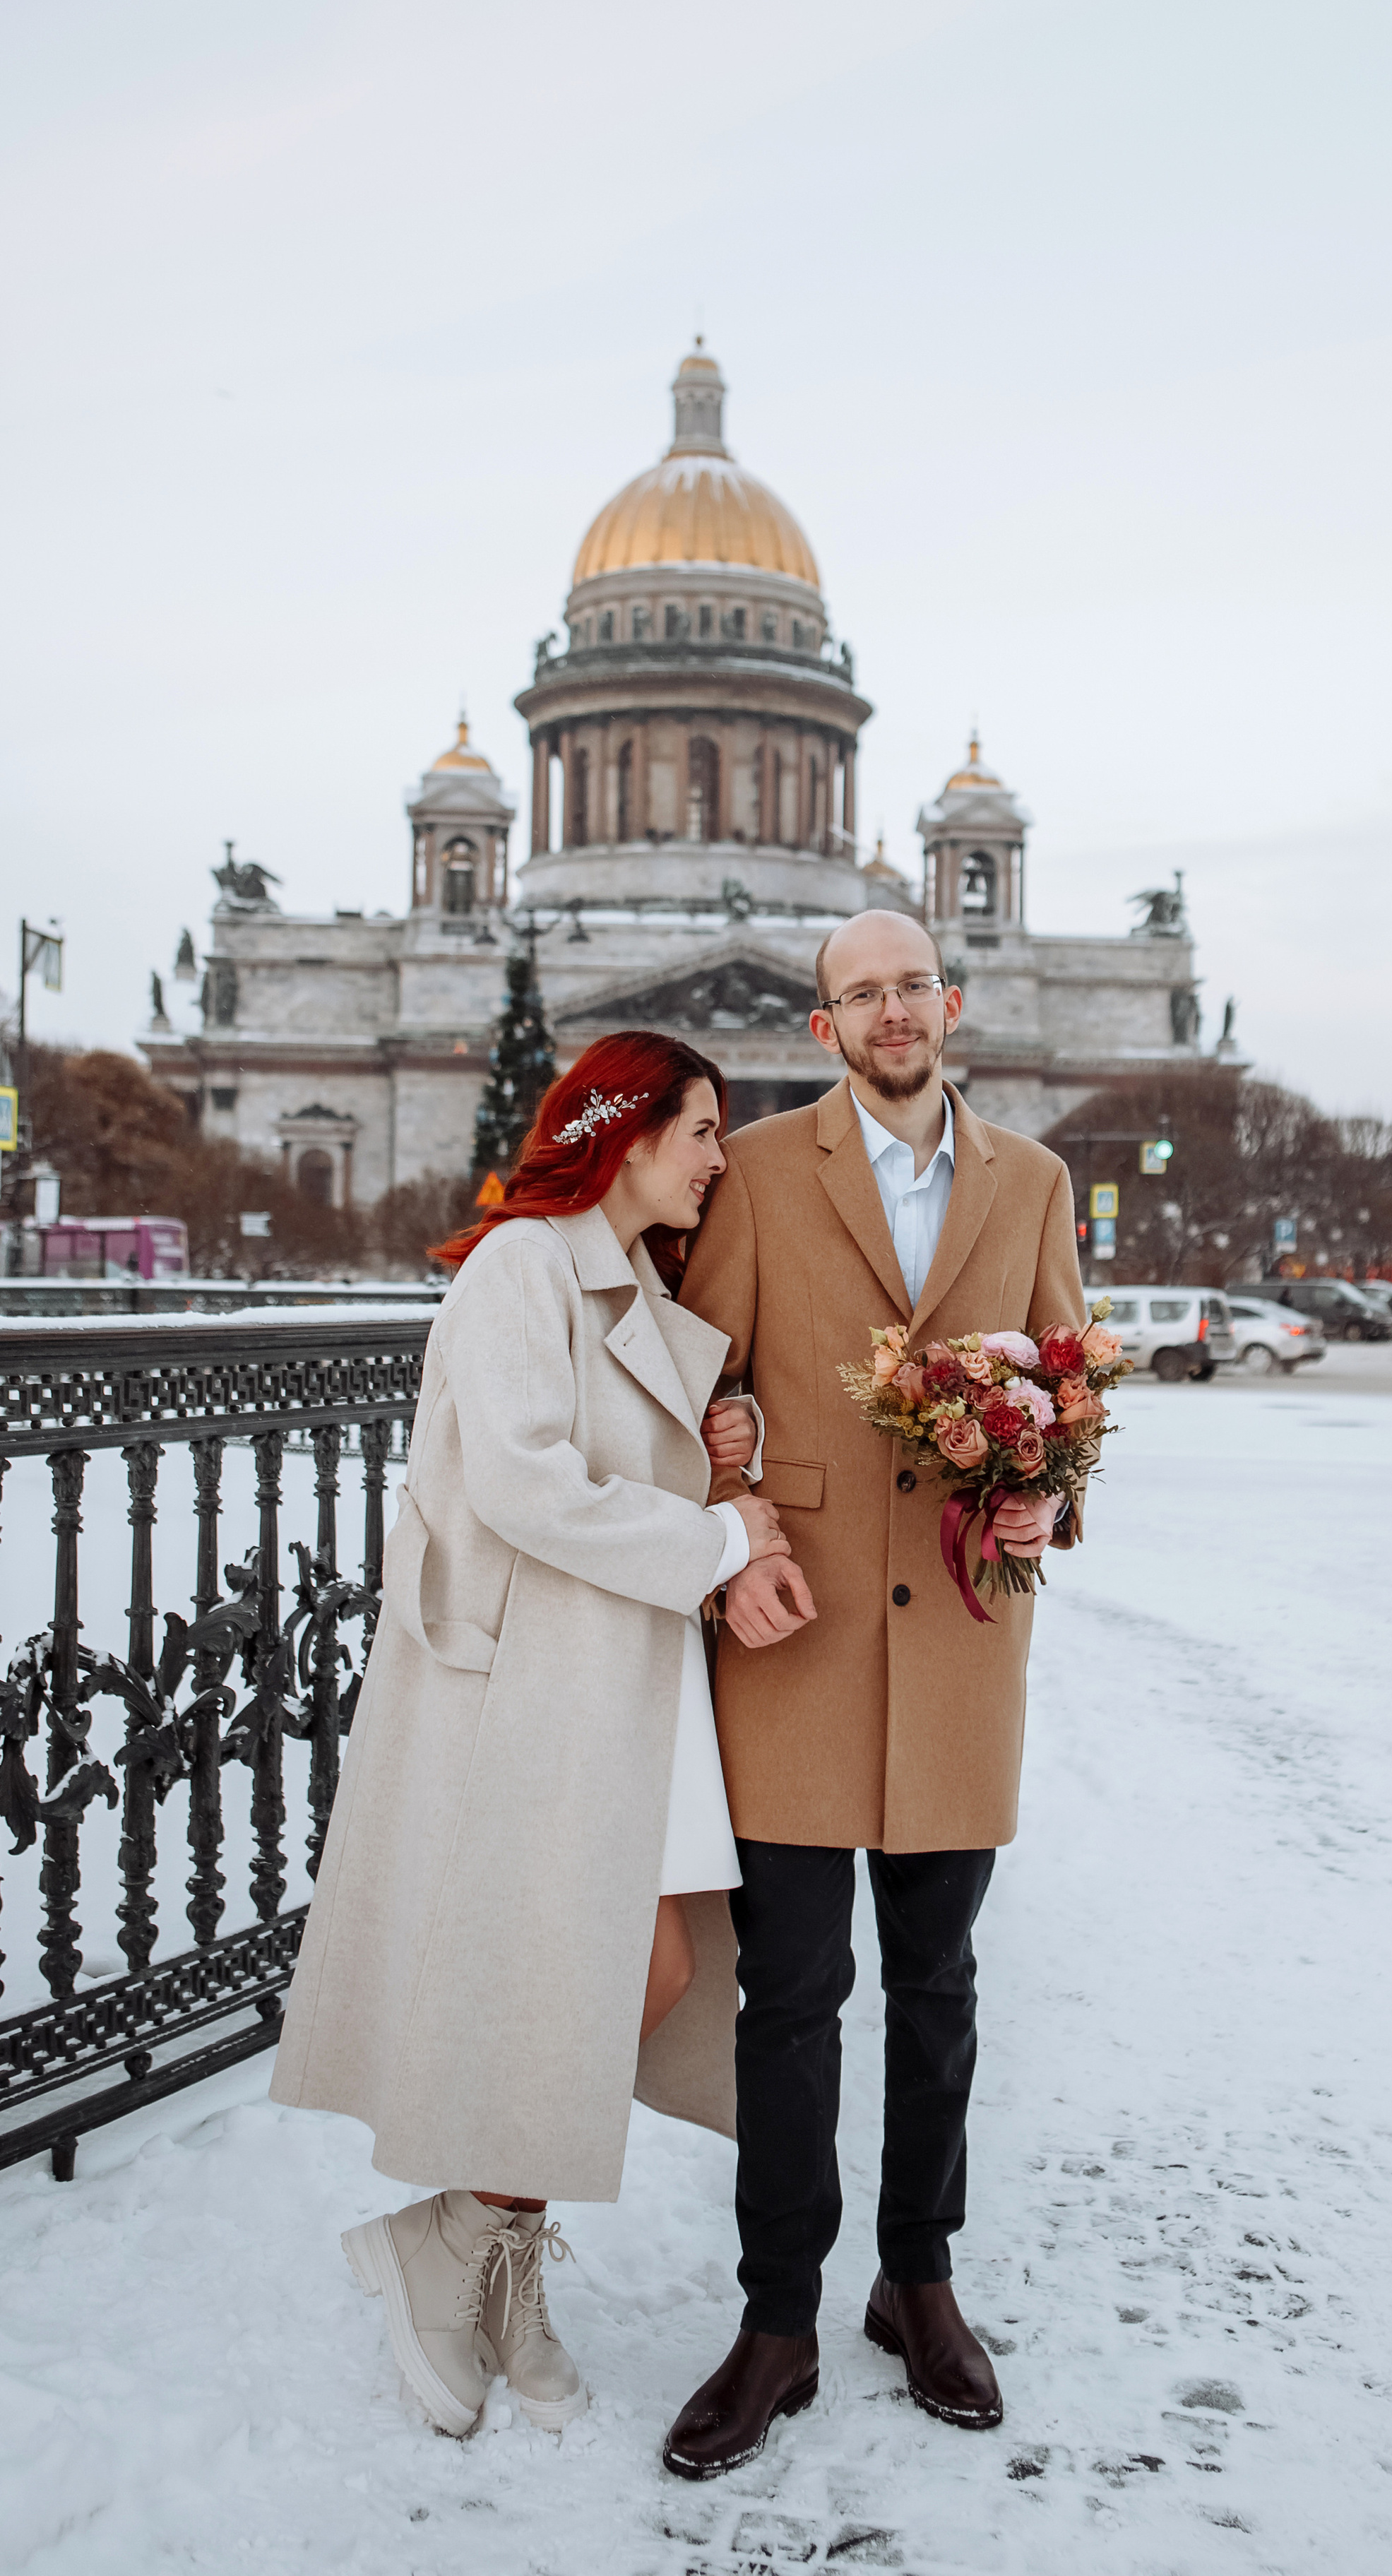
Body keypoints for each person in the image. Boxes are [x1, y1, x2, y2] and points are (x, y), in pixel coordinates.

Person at [270, 1031, 807, 2440]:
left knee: (632, 1970)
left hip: (621, 1677)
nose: (719, 1159)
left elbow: (629, 1452)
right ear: (625, 1132)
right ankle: (472, 2248)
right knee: (598, 1971)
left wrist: (726, 1451)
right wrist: (715, 1536)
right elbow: (522, 1480)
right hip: (541, 1684)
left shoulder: (632, 1276)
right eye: (702, 1130)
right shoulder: (522, 1264)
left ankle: (471, 2242)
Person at [662, 907, 1086, 2479]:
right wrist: (730, 1523)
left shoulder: (1034, 1182)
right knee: (789, 2001)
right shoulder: (762, 1171)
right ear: (824, 1026)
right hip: (797, 1631)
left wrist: (1050, 1498)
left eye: (912, 986)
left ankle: (918, 2283)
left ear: (948, 1003)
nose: (892, 1011)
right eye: (863, 994)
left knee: (939, 1987)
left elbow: (1066, 1391)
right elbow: (694, 1384)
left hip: (964, 1637)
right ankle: (776, 2318)